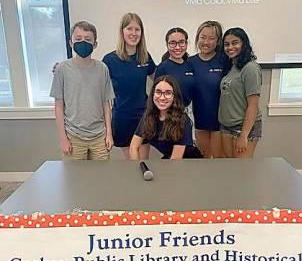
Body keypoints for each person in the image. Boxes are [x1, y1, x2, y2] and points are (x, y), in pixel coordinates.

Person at [50, 21, 115, 160]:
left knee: (102, 177)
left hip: (99, 136)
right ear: (71, 43)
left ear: (95, 44)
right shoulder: (62, 69)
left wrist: (109, 133)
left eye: (88, 39)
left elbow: (106, 104)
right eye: (78, 39)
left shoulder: (102, 68)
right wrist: (63, 138)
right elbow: (58, 106)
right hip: (73, 136)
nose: (83, 42)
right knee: (75, 178)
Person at [102, 13, 156, 159]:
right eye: (129, 29)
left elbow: (160, 78)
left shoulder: (145, 56)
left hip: (143, 116)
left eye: (137, 29)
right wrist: (62, 68)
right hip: (123, 117)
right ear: (122, 31)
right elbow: (94, 80)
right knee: (132, 164)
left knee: (144, 162)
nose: (133, 33)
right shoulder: (110, 60)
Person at [129, 75, 202, 160]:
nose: (162, 97)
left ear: (174, 96)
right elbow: (133, 147)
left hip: (188, 161)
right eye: (158, 92)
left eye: (168, 93)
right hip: (169, 157)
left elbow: (175, 160)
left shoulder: (183, 121)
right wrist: (138, 167)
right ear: (153, 94)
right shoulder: (148, 116)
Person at [218, 27, 262, 158]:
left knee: (241, 172)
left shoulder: (251, 68)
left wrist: (244, 135)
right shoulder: (231, 67)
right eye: (226, 44)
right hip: (226, 126)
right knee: (230, 170)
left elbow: (253, 106)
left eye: (235, 43)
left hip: (243, 128)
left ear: (244, 44)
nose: (230, 47)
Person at [189, 20, 226, 158]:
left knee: (217, 161)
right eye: (203, 37)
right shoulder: (190, 62)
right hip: (200, 120)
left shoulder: (224, 60)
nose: (206, 42)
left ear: (218, 41)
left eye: (211, 38)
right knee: (203, 159)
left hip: (220, 122)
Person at [154, 27, 194, 108]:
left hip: (188, 112)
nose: (177, 47)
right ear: (167, 45)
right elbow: (157, 96)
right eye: (173, 43)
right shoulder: (162, 68)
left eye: (181, 42)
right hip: (169, 113)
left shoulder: (190, 65)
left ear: (186, 43)